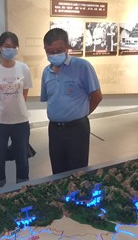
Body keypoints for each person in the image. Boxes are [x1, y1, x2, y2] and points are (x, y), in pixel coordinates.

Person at [41, 27, 102, 174]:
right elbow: (49, 99)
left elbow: (97, 96)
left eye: (59, 50)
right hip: (54, 130)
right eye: (50, 51)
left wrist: (80, 114)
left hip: (77, 129)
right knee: (58, 171)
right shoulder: (46, 72)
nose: (54, 54)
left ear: (67, 47)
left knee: (78, 172)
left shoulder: (82, 66)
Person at [0, 31, 32, 187]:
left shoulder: (23, 68)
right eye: (6, 46)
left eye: (13, 46)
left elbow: (24, 93)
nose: (10, 49)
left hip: (20, 121)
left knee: (22, 159)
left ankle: (23, 188)